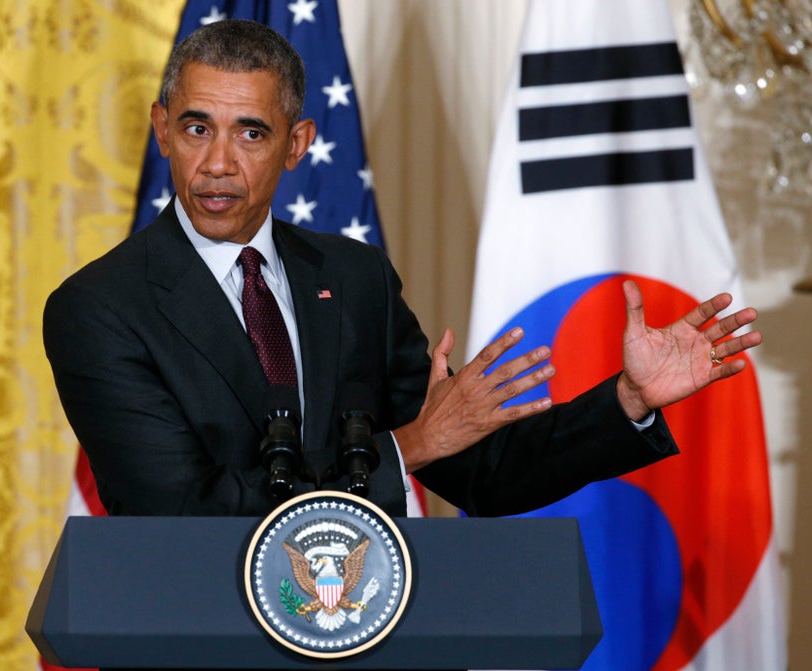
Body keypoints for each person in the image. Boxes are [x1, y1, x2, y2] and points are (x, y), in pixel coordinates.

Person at [43, 19, 762, 522]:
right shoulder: (100, 307)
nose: (218, 163)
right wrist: (410, 447)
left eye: (251, 133)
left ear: (297, 145)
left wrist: (628, 400)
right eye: (197, 127)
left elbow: (483, 471)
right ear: (161, 127)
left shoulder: (353, 279)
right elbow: (179, 511)